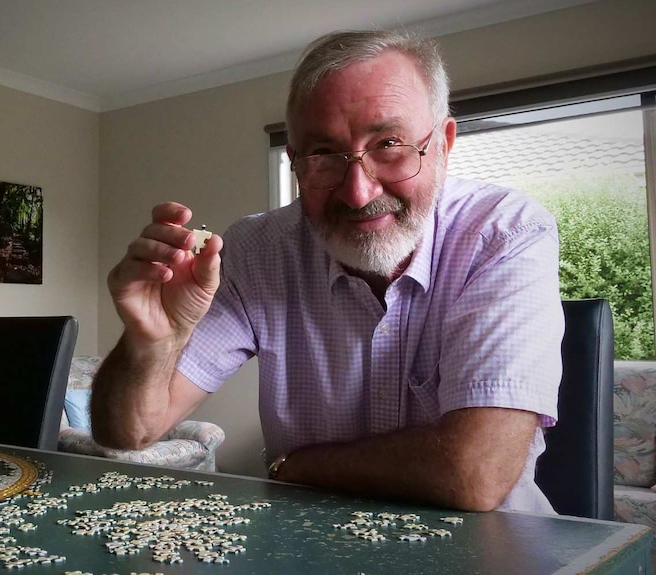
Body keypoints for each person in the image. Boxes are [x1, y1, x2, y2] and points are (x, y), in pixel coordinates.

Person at [90, 29, 564, 514]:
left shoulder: (505, 233)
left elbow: (474, 473)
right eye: (323, 154)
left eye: (390, 143)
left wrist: (295, 467)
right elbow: (128, 432)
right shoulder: (257, 250)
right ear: (295, 161)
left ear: (442, 144)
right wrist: (153, 342)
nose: (357, 192)